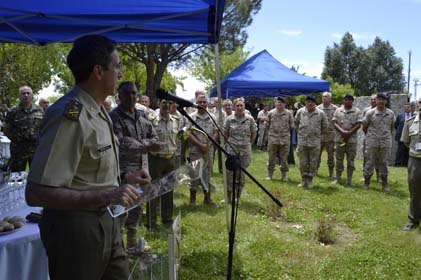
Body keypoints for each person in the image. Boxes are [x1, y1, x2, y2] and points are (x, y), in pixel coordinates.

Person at [25, 35, 145, 280]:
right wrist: (106, 195)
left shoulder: (99, 110)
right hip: (76, 232)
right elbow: (36, 192)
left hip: (107, 222)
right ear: (98, 71)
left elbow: (87, 169)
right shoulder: (70, 115)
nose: (121, 73)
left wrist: (124, 178)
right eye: (117, 66)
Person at [109, 81, 160, 248]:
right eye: (127, 93)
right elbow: (121, 143)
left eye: (134, 93)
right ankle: (116, 247)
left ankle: (131, 244)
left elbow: (156, 141)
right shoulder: (114, 117)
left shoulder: (142, 116)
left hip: (142, 171)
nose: (131, 97)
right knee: (120, 212)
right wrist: (145, 144)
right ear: (120, 96)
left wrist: (138, 143)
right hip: (122, 174)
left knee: (137, 209)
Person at [146, 92, 180, 230]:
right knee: (153, 191)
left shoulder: (176, 120)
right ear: (158, 103)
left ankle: (167, 218)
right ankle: (151, 222)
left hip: (170, 159)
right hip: (156, 159)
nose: (166, 105)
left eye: (169, 103)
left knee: (168, 190)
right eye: (163, 103)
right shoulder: (152, 119)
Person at [186, 94, 218, 207]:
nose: (202, 104)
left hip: (208, 150)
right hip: (195, 150)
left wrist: (208, 145)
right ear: (196, 103)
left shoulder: (213, 117)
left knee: (207, 174)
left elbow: (216, 132)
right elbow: (188, 133)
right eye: (200, 102)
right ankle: (192, 200)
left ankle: (207, 198)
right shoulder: (191, 117)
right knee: (194, 174)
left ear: (207, 103)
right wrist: (200, 145)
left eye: (204, 102)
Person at [3, 85, 44, 172]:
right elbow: (6, 130)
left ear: (32, 95)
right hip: (18, 150)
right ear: (19, 96)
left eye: (28, 93)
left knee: (36, 174)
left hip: (35, 149)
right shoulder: (13, 111)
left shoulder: (40, 110)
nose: (26, 95)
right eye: (23, 93)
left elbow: (44, 127)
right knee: (17, 176)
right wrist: (16, 139)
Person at [224, 98, 257, 200]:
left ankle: (237, 196)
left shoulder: (250, 119)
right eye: (237, 106)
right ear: (234, 107)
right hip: (232, 148)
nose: (239, 107)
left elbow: (254, 132)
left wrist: (249, 143)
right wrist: (228, 143)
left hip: (244, 149)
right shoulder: (229, 119)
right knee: (229, 173)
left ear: (244, 107)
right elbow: (226, 133)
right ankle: (228, 196)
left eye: (241, 105)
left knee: (241, 173)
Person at [362, 93, 395, 191]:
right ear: (376, 101)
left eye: (383, 99)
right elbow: (364, 127)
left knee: (384, 162)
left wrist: (385, 136)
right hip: (373, 141)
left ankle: (384, 184)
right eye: (379, 99)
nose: (381, 101)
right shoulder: (370, 113)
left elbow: (391, 127)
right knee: (370, 161)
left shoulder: (391, 113)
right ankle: (366, 183)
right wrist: (371, 136)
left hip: (385, 141)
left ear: (386, 101)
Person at [295, 95, 328, 188]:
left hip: (315, 142)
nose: (309, 103)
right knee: (303, 162)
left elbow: (325, 127)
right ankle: (303, 180)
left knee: (313, 162)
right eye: (308, 102)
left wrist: (317, 136)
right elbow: (296, 123)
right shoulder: (300, 112)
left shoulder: (320, 113)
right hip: (302, 142)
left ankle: (310, 181)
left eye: (311, 102)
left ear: (315, 103)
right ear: (305, 103)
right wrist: (302, 134)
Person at [332, 94, 362, 187]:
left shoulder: (357, 111)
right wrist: (342, 131)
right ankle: (338, 178)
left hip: (351, 140)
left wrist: (349, 133)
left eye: (349, 100)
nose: (347, 101)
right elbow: (334, 122)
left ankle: (349, 180)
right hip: (339, 139)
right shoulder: (338, 110)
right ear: (343, 100)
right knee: (339, 159)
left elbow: (359, 124)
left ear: (352, 101)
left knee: (351, 161)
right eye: (346, 99)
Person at [401, 97, 421, 231]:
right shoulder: (409, 122)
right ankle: (413, 220)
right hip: (415, 161)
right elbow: (406, 141)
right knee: (415, 192)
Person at [266, 97, 294, 181]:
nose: (280, 104)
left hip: (284, 139)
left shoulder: (288, 113)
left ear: (285, 104)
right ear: (275, 103)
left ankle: (284, 176)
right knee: (271, 157)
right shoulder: (271, 113)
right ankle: (270, 175)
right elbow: (267, 124)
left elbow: (291, 126)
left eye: (282, 102)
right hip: (273, 139)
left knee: (284, 158)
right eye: (278, 102)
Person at [317, 91, 338, 178]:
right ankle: (315, 170)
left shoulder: (335, 108)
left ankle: (331, 172)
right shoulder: (318, 108)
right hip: (320, 136)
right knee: (317, 155)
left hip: (331, 136)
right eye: (323, 97)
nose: (324, 98)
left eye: (326, 97)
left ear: (330, 98)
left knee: (331, 156)